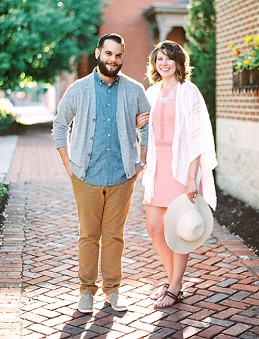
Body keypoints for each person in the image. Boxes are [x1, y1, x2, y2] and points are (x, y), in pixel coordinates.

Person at [52, 33, 151, 314]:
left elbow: (147, 126)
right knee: (88, 236)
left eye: (118, 55)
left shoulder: (134, 90)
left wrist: (140, 161)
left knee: (114, 236)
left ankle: (113, 290)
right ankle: (86, 291)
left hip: (122, 176)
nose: (113, 60)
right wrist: (68, 163)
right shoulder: (78, 89)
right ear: (98, 53)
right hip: (85, 175)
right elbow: (59, 125)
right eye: (108, 53)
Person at [141, 40, 217, 308]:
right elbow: (142, 128)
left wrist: (190, 178)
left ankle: (174, 286)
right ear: (154, 63)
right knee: (154, 227)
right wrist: (140, 121)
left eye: (169, 58)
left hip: (180, 167)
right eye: (159, 58)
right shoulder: (151, 93)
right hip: (156, 167)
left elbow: (196, 139)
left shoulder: (189, 91)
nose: (164, 63)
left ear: (178, 62)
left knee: (178, 229)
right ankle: (171, 279)